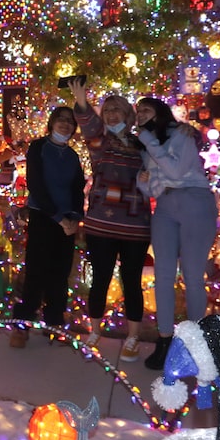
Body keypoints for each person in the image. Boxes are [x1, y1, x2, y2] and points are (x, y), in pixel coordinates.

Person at [69, 79, 151, 362]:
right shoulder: (100, 142)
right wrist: (81, 100)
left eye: (118, 110)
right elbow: (89, 123)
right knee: (100, 280)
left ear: (128, 115)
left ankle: (133, 337)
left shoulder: (144, 144)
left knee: (131, 282)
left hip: (136, 225)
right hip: (101, 225)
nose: (112, 114)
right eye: (108, 110)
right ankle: (94, 331)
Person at [135, 96, 218, 370]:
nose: (140, 114)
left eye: (145, 109)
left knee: (193, 276)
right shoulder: (150, 145)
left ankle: (195, 344)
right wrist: (142, 181)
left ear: (160, 112)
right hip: (166, 207)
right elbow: (155, 183)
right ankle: (165, 339)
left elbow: (176, 169)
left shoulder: (180, 135)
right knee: (163, 275)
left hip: (195, 201)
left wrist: (148, 142)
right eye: (138, 112)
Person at [10, 106, 85, 348]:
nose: (65, 124)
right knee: (36, 272)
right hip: (44, 217)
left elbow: (77, 189)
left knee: (60, 274)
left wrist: (74, 219)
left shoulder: (73, 156)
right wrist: (59, 218)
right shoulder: (39, 147)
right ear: (51, 123)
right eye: (60, 119)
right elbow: (36, 185)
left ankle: (53, 322)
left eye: (69, 121)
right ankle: (22, 324)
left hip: (67, 222)